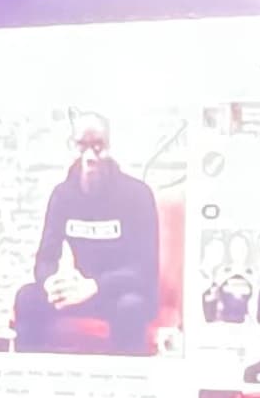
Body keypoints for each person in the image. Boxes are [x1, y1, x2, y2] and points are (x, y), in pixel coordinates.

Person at [13, 117, 162, 355]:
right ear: (72, 147)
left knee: (130, 307)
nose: (90, 156)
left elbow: (144, 268)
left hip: (122, 291)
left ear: (109, 147)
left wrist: (96, 285)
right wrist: (52, 282)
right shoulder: (63, 195)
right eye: (82, 146)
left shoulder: (137, 194)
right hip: (81, 291)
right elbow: (45, 259)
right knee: (27, 297)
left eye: (98, 146)